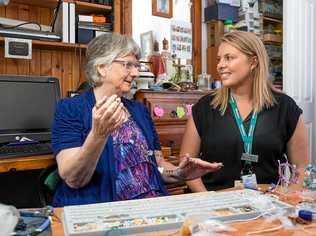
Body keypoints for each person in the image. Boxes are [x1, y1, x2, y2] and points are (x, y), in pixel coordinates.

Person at [51, 34, 223, 207]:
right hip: (106, 214)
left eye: (136, 65)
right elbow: (73, 179)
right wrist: (98, 135)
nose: (135, 73)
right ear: (102, 67)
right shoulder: (70, 109)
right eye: (127, 65)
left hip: (151, 208)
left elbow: (157, 165)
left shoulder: (139, 110)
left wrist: (179, 173)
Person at [180, 31, 310, 192]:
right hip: (214, 205)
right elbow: (187, 166)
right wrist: (209, 201)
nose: (220, 65)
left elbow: (301, 168)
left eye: (229, 58)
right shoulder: (205, 107)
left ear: (253, 62)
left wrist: (288, 201)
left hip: (267, 205)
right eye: (219, 59)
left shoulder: (286, 108)